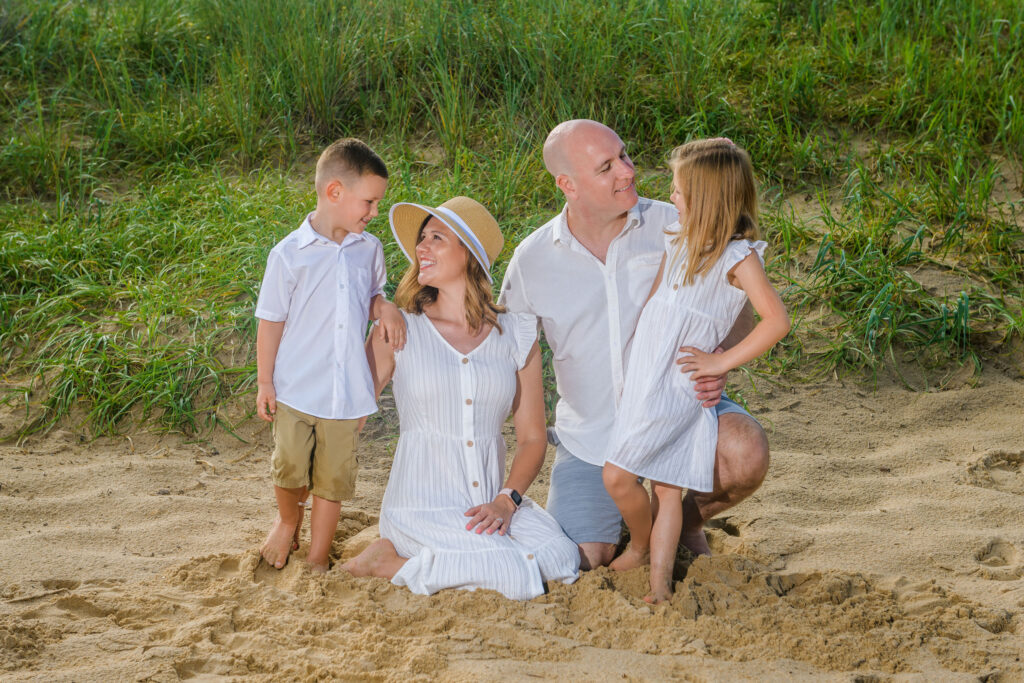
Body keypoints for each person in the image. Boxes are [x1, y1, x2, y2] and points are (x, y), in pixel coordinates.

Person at [499, 120, 772, 571]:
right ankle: (637, 530)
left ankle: (684, 521)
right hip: (594, 439)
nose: (627, 171)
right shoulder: (532, 260)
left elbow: (739, 307)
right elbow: (514, 358)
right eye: (606, 167)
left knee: (746, 453)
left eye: (624, 155)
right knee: (584, 560)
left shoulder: (676, 222)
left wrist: (719, 363)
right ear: (567, 184)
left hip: (681, 411)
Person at [342, 196, 579, 600]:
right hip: (422, 502)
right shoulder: (401, 328)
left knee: (561, 557)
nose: (422, 248)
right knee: (506, 571)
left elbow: (533, 439)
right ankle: (388, 559)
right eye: (422, 239)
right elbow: (348, 409)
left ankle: (418, 562)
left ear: (469, 256)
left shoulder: (516, 332)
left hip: (489, 504)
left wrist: (507, 502)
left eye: (437, 238)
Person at [602, 138, 790, 603]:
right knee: (664, 486)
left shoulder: (738, 257)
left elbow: (777, 321)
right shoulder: (678, 239)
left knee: (619, 476)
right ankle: (658, 579)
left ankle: (655, 571)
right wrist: (632, 358)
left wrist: (721, 361)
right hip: (647, 374)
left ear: (705, 198)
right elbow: (656, 304)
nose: (671, 197)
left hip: (681, 383)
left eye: (679, 191)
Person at [254, 138, 405, 573]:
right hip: (297, 388)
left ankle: (318, 557)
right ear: (335, 192)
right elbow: (271, 321)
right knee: (289, 468)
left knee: (332, 479)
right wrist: (266, 381)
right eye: (370, 202)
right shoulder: (288, 255)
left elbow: (372, 296)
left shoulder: (368, 249)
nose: (374, 212)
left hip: (344, 393)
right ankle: (287, 522)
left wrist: (386, 306)